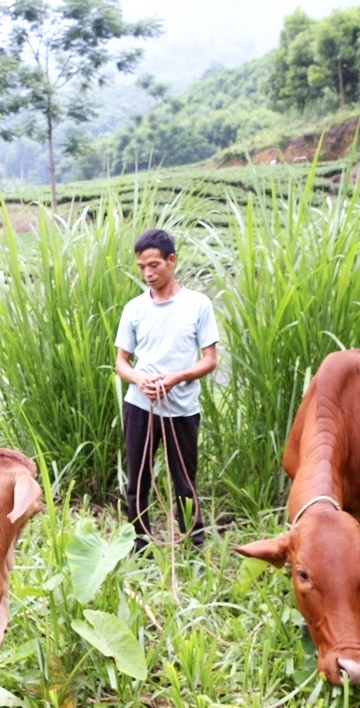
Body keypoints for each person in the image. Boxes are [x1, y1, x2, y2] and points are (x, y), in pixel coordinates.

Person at [114, 228, 220, 552]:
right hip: (140, 406)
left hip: (182, 409)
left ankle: (194, 546)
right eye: (141, 267)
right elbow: (121, 361)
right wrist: (138, 379)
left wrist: (177, 377)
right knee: (138, 481)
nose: (148, 273)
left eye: (154, 265)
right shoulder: (134, 308)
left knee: (185, 482)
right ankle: (139, 545)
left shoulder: (198, 305)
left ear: (171, 261)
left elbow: (210, 360)